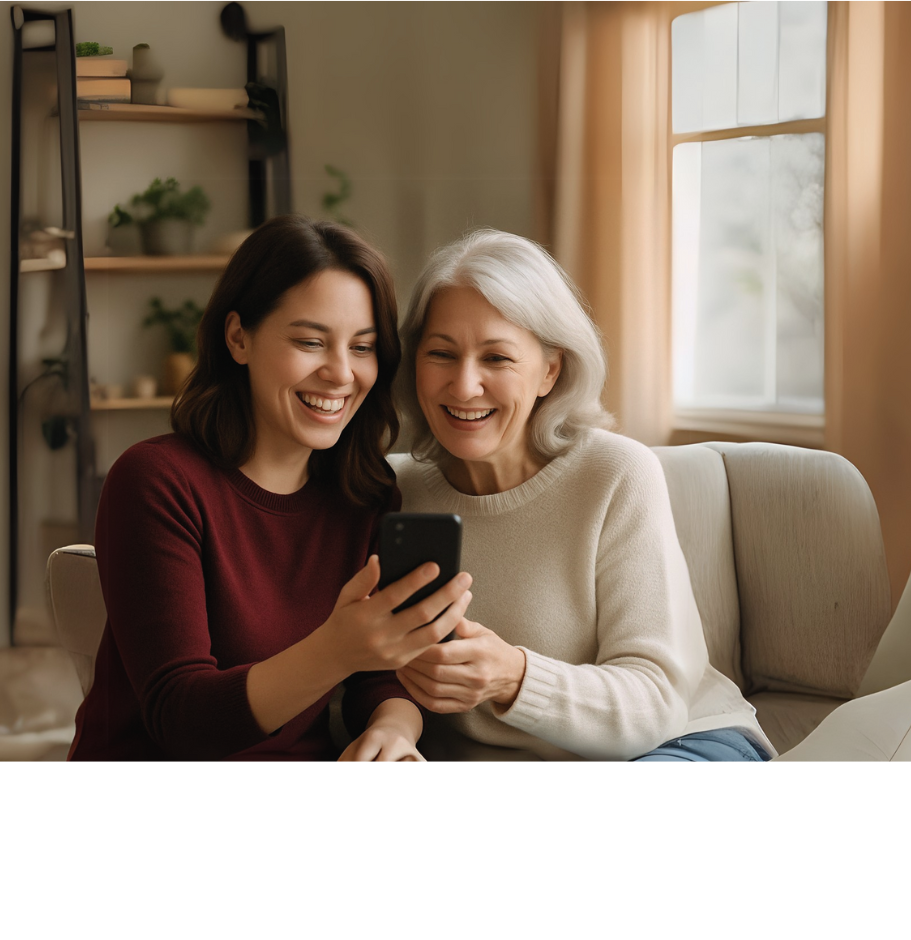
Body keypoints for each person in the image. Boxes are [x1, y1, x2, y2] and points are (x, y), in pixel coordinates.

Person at [69, 216, 471, 761]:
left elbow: (378, 679)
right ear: (238, 337)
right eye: (310, 341)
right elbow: (180, 718)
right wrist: (335, 650)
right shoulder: (156, 481)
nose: (341, 373)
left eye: (362, 347)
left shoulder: (364, 495)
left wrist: (394, 729)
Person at [390, 230, 775, 761]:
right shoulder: (393, 491)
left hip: (677, 740)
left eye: (496, 358)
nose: (464, 385)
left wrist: (514, 677)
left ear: (550, 370)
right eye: (441, 353)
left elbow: (655, 702)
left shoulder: (615, 474)